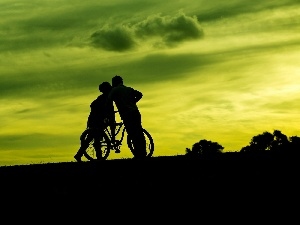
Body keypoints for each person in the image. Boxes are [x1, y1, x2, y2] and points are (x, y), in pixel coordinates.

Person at [74, 81, 115, 162]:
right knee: (95, 137)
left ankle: (79, 155)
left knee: (92, 137)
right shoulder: (106, 98)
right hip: (96, 120)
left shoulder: (102, 98)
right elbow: (110, 112)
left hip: (95, 119)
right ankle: (99, 157)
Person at [107, 75, 147, 159]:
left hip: (126, 114)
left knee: (132, 133)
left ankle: (138, 154)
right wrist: (133, 102)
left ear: (114, 83)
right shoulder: (128, 89)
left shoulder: (114, 90)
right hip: (135, 112)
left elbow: (108, 100)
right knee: (139, 132)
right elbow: (140, 94)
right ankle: (143, 153)